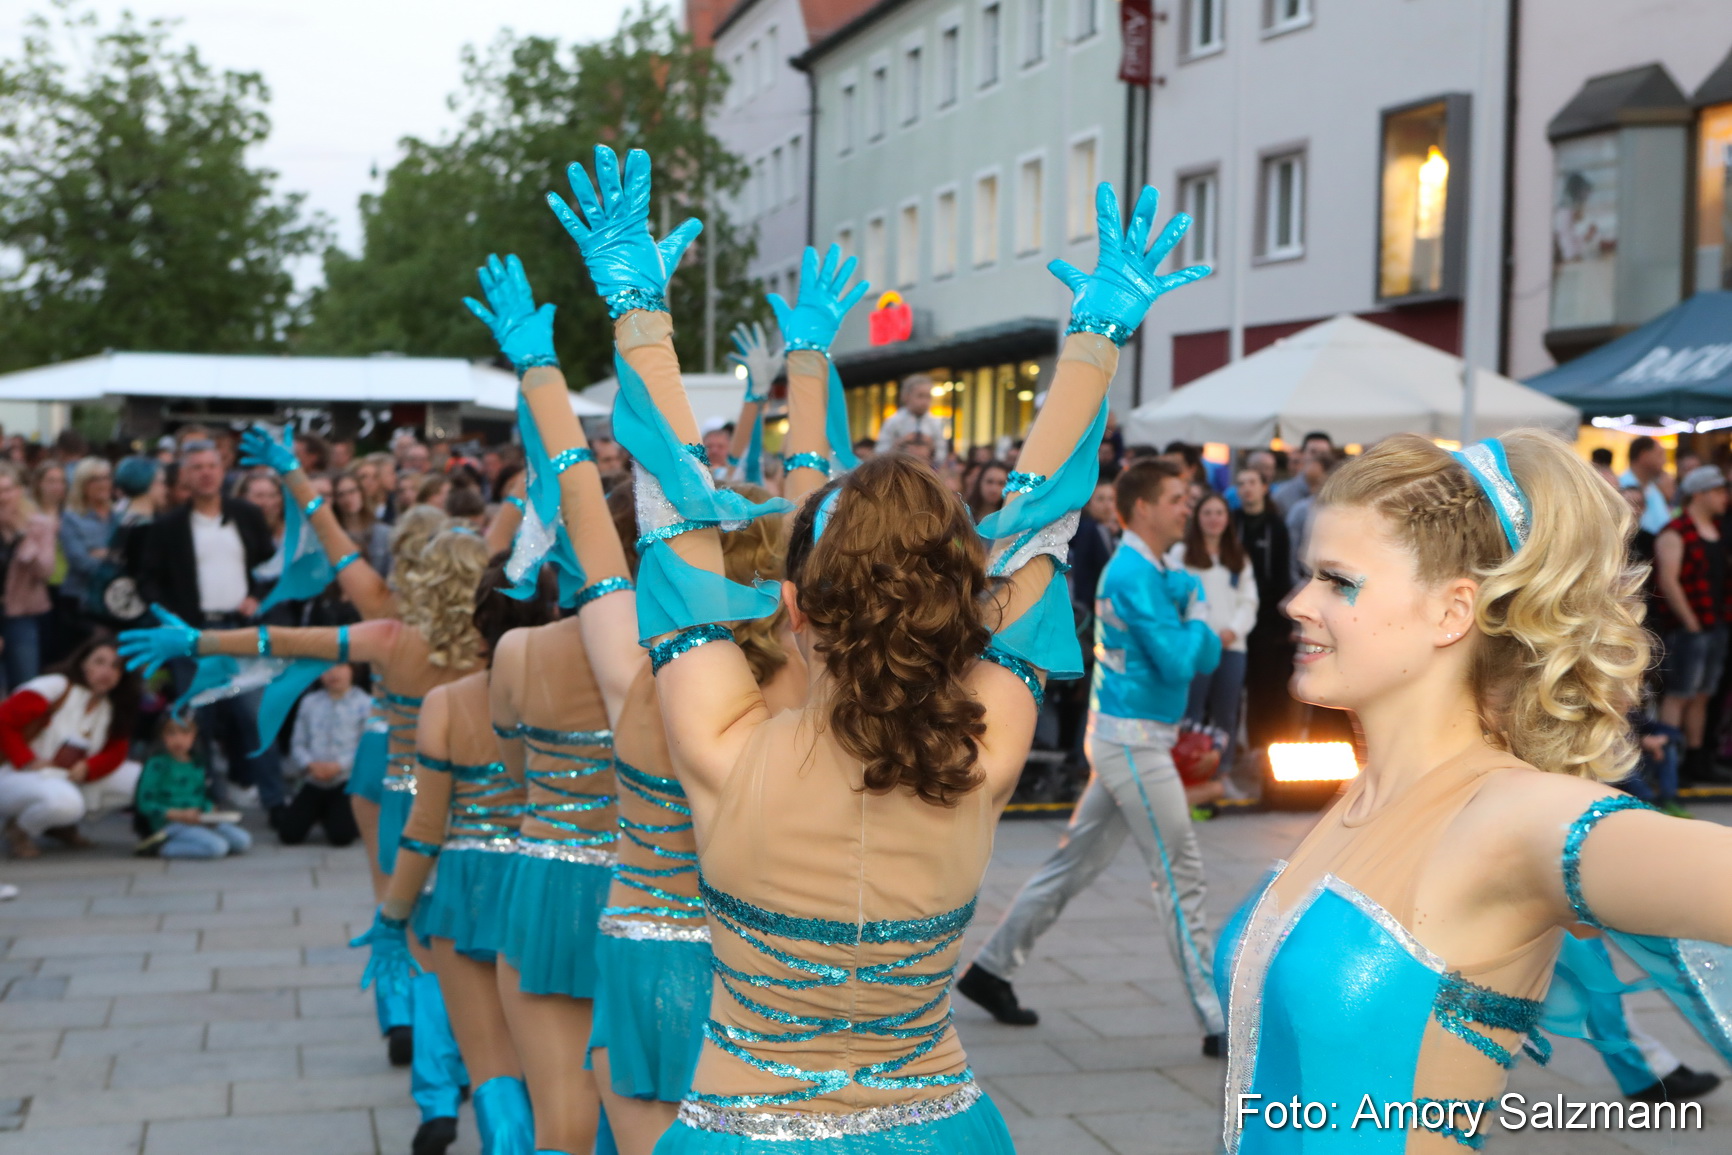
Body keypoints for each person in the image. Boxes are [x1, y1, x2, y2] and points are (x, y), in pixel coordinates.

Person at [534, 147, 1208, 1151]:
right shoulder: (984, 751)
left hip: (744, 1129)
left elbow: (672, 510)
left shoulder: (722, 741)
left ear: (794, 607)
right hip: (938, 1126)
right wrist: (1098, 335)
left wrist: (638, 305)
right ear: (957, 609)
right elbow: (1041, 525)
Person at [1214, 431, 1732, 1153]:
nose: (1297, 602)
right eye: (1309, 575)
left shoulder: (1514, 815)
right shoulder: (1369, 796)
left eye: (1338, 579)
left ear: (1454, 610)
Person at [961, 459, 1228, 1053]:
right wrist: (1204, 618)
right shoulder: (1133, 574)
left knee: (1072, 866)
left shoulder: (1153, 570)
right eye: (1176, 498)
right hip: (1131, 739)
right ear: (1142, 509)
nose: (1188, 507)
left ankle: (991, 970)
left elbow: (1196, 659)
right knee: (1179, 873)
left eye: (1187, 497)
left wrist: (1196, 617)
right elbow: (1188, 660)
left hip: (1132, 736)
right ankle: (1219, 1020)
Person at [358, 549, 554, 1155]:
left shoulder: (448, 703)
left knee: (491, 1065)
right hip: (552, 877)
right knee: (561, 1076)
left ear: (478, 622)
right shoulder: (588, 690)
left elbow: (424, 830)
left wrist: (392, 917)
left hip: (467, 885)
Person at [134, 440, 282, 819]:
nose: (205, 472)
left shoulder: (246, 514)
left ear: (223, 469)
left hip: (243, 630)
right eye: (196, 466)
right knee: (199, 721)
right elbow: (148, 581)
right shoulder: (169, 526)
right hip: (195, 635)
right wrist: (171, 620)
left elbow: (269, 565)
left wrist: (257, 596)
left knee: (257, 715)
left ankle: (275, 799)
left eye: (211, 465)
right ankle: (207, 800)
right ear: (185, 474)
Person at [0, 635, 142, 858]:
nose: (106, 671)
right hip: (15, 773)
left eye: (115, 666)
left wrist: (89, 767)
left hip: (64, 776)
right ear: (83, 662)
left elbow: (117, 751)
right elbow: (3, 720)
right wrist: (27, 760)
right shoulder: (56, 686)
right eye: (99, 662)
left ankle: (57, 826)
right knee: (65, 803)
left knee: (141, 780)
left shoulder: (112, 705)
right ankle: (19, 829)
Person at [1650, 464, 1731, 783]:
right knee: (1680, 692)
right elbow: (1669, 581)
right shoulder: (1676, 530)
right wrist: (1690, 622)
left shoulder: (1718, 530)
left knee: (1702, 694)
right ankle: (1669, 763)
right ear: (1702, 493)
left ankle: (1696, 761)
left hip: (1716, 623)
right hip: (1689, 627)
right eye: (1719, 491)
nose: (1725, 497)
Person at [1172, 492, 1258, 774]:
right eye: (1207, 512)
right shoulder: (1180, 554)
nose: (1213, 518)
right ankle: (1185, 774)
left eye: (1219, 513)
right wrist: (1196, 634)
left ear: (1227, 518)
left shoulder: (1238, 556)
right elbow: (1173, 600)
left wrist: (1233, 630)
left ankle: (1223, 773)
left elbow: (1249, 600)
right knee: (1190, 713)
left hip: (1232, 647)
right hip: (1194, 647)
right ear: (1197, 518)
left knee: (1227, 714)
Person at [1234, 463, 1295, 758]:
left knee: (1266, 687)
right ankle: (1239, 749)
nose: (1246, 488)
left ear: (1263, 487)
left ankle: (1266, 746)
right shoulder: (1232, 523)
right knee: (1235, 687)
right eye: (1241, 483)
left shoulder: (1276, 526)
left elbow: (1283, 574)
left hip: (1268, 620)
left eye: (1251, 482)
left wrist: (1283, 624)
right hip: (1234, 614)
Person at [134, 713, 252, 859]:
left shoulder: (197, 763)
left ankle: (197, 839)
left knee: (242, 841)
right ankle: (160, 847)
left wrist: (209, 810)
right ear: (161, 736)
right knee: (217, 848)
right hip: (170, 824)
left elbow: (201, 796)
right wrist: (178, 814)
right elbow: (145, 803)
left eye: (185, 732)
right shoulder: (157, 764)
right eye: (171, 733)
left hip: (198, 819)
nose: (178, 739)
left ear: (195, 735)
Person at [277, 663, 369, 847]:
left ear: (353, 670)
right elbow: (297, 743)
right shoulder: (309, 702)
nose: (333, 673)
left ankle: (342, 814)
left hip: (345, 780)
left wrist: (339, 766)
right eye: (326, 668)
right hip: (314, 778)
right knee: (289, 834)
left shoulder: (366, 703)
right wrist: (310, 765)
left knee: (341, 837)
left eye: (340, 667)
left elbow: (365, 746)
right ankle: (321, 811)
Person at [0, 463, 58, 690]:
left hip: (22, 615)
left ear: (19, 491)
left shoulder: (40, 525)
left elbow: (45, 571)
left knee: (26, 685)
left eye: (7, 490)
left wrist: (24, 538)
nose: (3, 497)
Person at [58, 456, 119, 628]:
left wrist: (103, 554)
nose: (103, 483)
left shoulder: (119, 515)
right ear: (82, 485)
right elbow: (81, 562)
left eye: (106, 477)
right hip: (80, 600)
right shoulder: (72, 518)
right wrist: (115, 558)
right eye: (95, 479)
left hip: (114, 599)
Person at [873, 373, 949, 462]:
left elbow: (942, 455)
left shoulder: (936, 423)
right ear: (906, 396)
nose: (925, 401)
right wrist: (900, 443)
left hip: (925, 471)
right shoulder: (894, 421)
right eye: (920, 396)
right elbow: (879, 453)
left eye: (928, 396)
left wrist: (931, 447)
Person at [333, 469, 393, 576]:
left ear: (361, 493)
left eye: (352, 492)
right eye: (341, 494)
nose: (348, 499)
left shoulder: (383, 532)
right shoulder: (334, 535)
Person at [1620, 434, 1675, 536]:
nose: (1664, 461)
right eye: (1660, 455)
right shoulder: (1620, 487)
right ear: (1644, 455)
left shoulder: (1654, 488)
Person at [1271, 431, 1333, 517]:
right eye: (1313, 452)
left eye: (1323, 453)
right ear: (1303, 455)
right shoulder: (1282, 494)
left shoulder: (1340, 493)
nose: (1318, 457)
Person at [964, 459, 1010, 523]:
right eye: (989, 482)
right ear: (979, 482)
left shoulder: (1010, 520)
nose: (994, 489)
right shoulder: (965, 515)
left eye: (1001, 483)